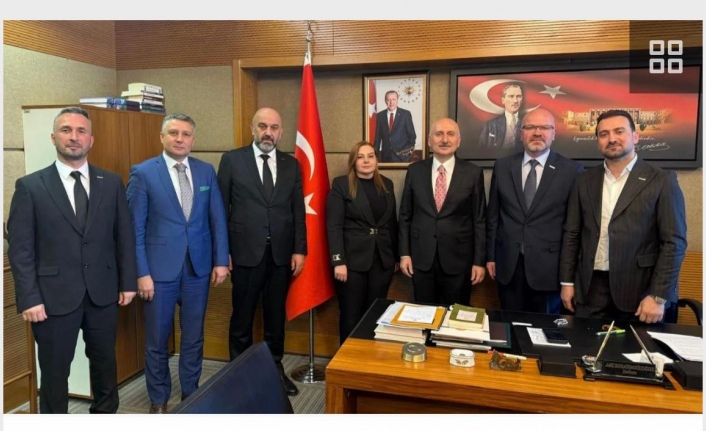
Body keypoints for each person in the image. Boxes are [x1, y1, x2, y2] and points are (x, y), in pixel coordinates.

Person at [7, 106, 137, 413]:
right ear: (54, 137)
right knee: (54, 374)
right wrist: (29, 299)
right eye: (66, 130)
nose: (74, 137)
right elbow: (21, 250)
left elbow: (124, 237)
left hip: (103, 293)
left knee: (105, 366)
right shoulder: (30, 186)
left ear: (91, 140)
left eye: (81, 131)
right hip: (52, 298)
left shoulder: (111, 183)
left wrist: (128, 282)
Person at [126, 113, 229, 413]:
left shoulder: (206, 171)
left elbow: (217, 219)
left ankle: (190, 394)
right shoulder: (143, 173)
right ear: (162, 137)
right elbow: (135, 229)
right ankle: (159, 399)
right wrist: (141, 272)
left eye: (186, 134)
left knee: (194, 336)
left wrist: (220, 261)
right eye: (173, 133)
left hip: (198, 268)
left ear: (193, 139)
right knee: (157, 339)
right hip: (158, 272)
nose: (180, 139)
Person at [559, 109, 687, 323]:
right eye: (604, 134)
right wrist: (567, 282)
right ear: (598, 141)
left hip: (641, 290)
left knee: (638, 346)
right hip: (590, 289)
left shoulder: (661, 180)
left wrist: (658, 296)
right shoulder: (584, 180)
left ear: (635, 136)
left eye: (619, 131)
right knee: (585, 343)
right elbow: (572, 234)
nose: (612, 139)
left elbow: (674, 242)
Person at [217, 107, 306, 396]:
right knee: (242, 316)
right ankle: (238, 375)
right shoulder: (232, 160)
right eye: (263, 126)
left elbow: (297, 211)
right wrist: (222, 252)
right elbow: (220, 209)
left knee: (275, 317)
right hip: (244, 253)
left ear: (281, 132)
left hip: (281, 254)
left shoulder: (291, 165)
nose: (268, 133)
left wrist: (299, 250)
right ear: (253, 128)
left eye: (274, 127)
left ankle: (274, 370)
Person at [486, 108, 584, 314]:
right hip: (508, 265)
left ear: (554, 133)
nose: (537, 133)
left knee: (544, 330)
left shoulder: (571, 170)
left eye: (544, 127)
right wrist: (491, 256)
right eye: (530, 127)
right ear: (521, 133)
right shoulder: (503, 166)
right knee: (509, 325)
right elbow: (493, 216)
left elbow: (574, 227)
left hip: (549, 269)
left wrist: (569, 275)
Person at [398, 118, 486, 307]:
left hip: (459, 261)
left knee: (454, 316)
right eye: (439, 134)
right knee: (423, 315)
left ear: (459, 141)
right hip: (421, 260)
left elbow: (479, 220)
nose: (444, 139)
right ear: (429, 140)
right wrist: (404, 254)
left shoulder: (473, 173)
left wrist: (479, 262)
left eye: (450, 134)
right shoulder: (415, 171)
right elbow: (405, 216)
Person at [326, 141, 399, 343]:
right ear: (353, 161)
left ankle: (368, 358)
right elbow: (334, 225)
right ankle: (347, 359)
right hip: (351, 263)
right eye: (360, 157)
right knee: (351, 314)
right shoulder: (341, 184)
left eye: (370, 156)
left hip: (382, 261)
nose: (366, 161)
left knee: (376, 313)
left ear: (376, 160)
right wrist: (338, 261)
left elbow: (392, 223)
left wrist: (396, 256)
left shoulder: (387, 184)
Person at [478, 83, 524, 154]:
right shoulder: (490, 126)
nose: (515, 101)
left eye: (518, 96)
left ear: (522, 99)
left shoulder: (528, 122)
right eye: (511, 96)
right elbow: (481, 152)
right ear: (503, 100)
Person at [374, 90, 417, 163]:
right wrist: (375, 156)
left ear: (397, 100)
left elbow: (412, 137)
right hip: (386, 157)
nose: (391, 102)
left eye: (393, 99)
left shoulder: (405, 115)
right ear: (385, 101)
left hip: (403, 158)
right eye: (389, 100)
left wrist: (405, 154)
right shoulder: (380, 116)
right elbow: (377, 139)